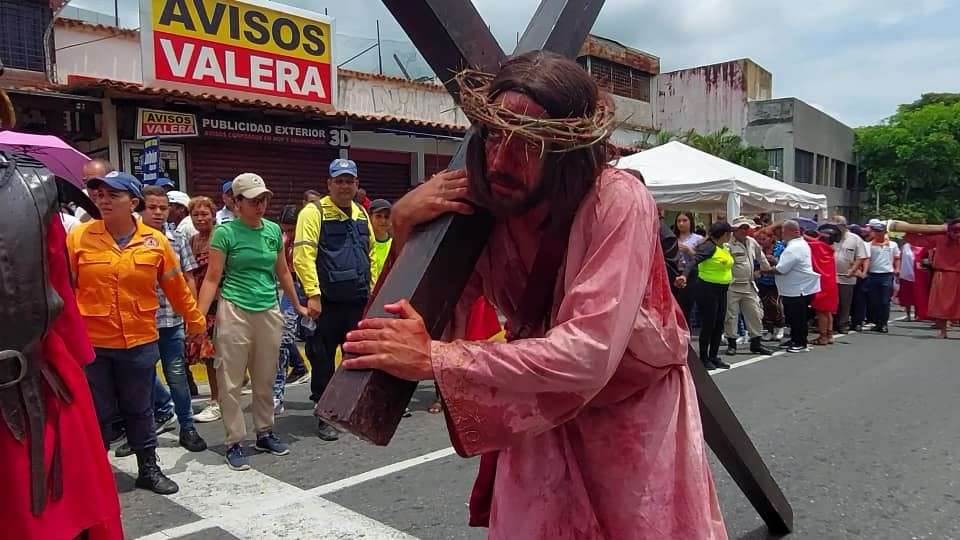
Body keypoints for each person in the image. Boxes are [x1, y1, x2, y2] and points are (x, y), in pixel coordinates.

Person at [340, 51, 726, 537]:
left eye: (529, 142)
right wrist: (403, 227)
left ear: (567, 151)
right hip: (539, 404)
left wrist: (436, 359)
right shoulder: (481, 206)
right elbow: (429, 323)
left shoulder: (617, 200)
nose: (500, 161)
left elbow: (589, 352)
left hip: (630, 413)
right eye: (494, 135)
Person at [0, 160, 123, 539]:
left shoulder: (32, 186)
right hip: (41, 373)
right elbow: (60, 288)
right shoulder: (33, 186)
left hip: (37, 375)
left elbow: (58, 285)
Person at [67, 171, 205, 495]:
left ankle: (148, 469)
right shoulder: (78, 237)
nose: (103, 200)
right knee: (97, 412)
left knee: (140, 408)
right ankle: (96, 476)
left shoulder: (155, 242)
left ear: (132, 203)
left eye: (112, 195)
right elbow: (66, 288)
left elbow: (176, 287)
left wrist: (195, 322)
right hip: (93, 343)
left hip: (139, 341)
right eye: (99, 194)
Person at [197, 173, 308, 471]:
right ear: (236, 203)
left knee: (265, 376)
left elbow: (283, 272)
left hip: (268, 309)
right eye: (253, 201)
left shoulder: (272, 230)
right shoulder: (225, 233)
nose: (260, 206)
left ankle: (265, 432)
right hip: (234, 309)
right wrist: (197, 317)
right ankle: (234, 441)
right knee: (231, 380)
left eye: (263, 200)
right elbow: (212, 278)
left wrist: (297, 304)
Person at [293, 158, 375, 442]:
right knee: (323, 359)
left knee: (357, 357)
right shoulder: (313, 212)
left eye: (349, 181)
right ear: (329, 184)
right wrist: (313, 295)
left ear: (356, 184)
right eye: (339, 181)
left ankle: (350, 409)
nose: (344, 186)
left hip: (358, 300)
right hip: (327, 302)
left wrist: (374, 292)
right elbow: (303, 255)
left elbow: (371, 254)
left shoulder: (361, 213)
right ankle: (325, 414)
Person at [139, 185, 207, 451]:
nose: (158, 213)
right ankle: (144, 430)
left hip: (172, 321)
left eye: (163, 208)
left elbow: (188, 278)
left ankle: (187, 427)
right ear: (140, 208)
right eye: (152, 207)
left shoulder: (177, 239)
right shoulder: (130, 238)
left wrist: (193, 316)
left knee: (177, 376)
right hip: (141, 324)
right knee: (142, 379)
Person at [677, 221, 734, 369]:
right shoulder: (709, 247)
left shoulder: (723, 247)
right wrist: (684, 276)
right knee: (709, 324)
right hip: (707, 290)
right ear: (724, 234)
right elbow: (692, 262)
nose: (731, 235)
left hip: (722, 291)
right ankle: (704, 357)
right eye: (729, 233)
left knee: (719, 324)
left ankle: (714, 356)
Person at [186, 196, 222, 423]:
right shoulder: (193, 241)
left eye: (204, 214)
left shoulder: (221, 237)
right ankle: (216, 400)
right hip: (201, 304)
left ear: (213, 214)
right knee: (208, 354)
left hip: (222, 302)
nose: (200, 219)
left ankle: (222, 398)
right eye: (195, 215)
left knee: (222, 353)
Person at [893, 218, 960, 338]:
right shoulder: (941, 237)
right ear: (950, 230)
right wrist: (912, 229)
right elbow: (918, 240)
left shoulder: (941, 237)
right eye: (955, 231)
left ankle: (945, 330)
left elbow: (916, 240)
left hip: (952, 275)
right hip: (942, 275)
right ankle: (943, 331)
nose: (957, 234)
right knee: (941, 303)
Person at [763, 220, 820, 353]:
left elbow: (781, 269)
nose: (782, 234)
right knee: (795, 316)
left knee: (797, 317)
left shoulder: (793, 248)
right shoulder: (799, 244)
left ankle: (799, 342)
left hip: (797, 289)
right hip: (798, 287)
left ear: (794, 232)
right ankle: (796, 338)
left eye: (784, 232)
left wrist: (763, 271)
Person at [273, 204, 308, 415]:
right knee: (282, 340)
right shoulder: (284, 242)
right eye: (285, 230)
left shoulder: (310, 239)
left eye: (292, 229)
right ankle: (277, 394)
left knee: (317, 342)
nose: (289, 234)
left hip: (312, 290)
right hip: (291, 289)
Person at [724, 216, 773, 356]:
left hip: (749, 284)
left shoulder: (751, 242)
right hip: (732, 285)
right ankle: (732, 344)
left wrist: (765, 268)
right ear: (735, 229)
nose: (745, 230)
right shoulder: (727, 244)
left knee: (755, 313)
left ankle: (756, 343)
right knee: (731, 316)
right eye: (742, 227)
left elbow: (760, 256)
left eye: (747, 228)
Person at [829, 216, 869, 334]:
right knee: (831, 302)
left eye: (836, 227)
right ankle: (831, 325)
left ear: (843, 226)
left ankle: (843, 324)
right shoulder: (830, 237)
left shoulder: (855, 239)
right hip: (830, 275)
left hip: (846, 276)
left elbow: (861, 256)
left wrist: (853, 269)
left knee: (844, 302)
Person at [806, 224, 840, 346]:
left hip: (823, 283)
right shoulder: (829, 248)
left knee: (821, 311)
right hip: (830, 282)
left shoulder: (818, 246)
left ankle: (823, 336)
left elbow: (803, 239)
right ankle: (829, 335)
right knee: (827, 311)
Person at [865, 221, 900, 333]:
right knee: (874, 301)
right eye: (876, 231)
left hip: (887, 275)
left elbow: (897, 257)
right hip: (873, 275)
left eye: (880, 231)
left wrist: (897, 269)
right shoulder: (868, 245)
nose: (877, 233)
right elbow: (866, 259)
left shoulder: (893, 245)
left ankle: (883, 324)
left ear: (884, 232)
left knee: (885, 301)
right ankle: (877, 322)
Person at [672, 211, 703, 323]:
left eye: (684, 220)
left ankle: (687, 330)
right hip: (674, 272)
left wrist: (688, 250)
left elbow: (701, 258)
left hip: (691, 275)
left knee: (687, 308)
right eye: (679, 221)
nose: (681, 223)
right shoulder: (672, 238)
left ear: (691, 222)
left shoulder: (698, 239)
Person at [755, 228, 785, 341]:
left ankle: (780, 326)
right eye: (759, 239)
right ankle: (769, 329)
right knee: (764, 305)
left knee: (775, 304)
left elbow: (785, 264)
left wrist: (775, 261)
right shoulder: (758, 249)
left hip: (776, 281)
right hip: (762, 281)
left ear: (771, 238)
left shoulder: (780, 248)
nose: (761, 242)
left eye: (763, 239)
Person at [849, 224, 873, 331]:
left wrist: (863, 272)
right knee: (850, 299)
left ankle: (857, 322)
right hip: (848, 274)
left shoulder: (863, 244)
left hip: (858, 275)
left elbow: (866, 259)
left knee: (859, 299)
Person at [369, 198, 393, 287]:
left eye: (386, 217)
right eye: (378, 216)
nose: (383, 221)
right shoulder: (364, 244)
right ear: (370, 217)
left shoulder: (396, 245)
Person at [897, 240, 919, 321]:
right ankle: (908, 315)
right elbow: (900, 258)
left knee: (918, 296)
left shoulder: (921, 246)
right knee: (906, 297)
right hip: (905, 274)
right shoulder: (905, 247)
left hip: (918, 275)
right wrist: (898, 270)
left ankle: (918, 315)